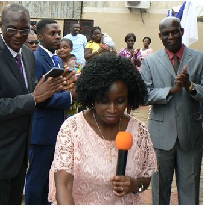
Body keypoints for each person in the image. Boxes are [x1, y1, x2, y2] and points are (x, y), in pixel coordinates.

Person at [0, 4, 75, 205]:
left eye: (24, 30)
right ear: (1, 25)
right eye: (12, 29)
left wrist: (54, 87)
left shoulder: (26, 53)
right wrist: (34, 98)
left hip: (19, 153)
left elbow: (30, 89)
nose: (18, 35)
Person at [49, 53, 157, 205]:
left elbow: (145, 180)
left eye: (120, 101)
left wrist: (134, 185)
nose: (112, 109)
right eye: (104, 101)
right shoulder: (72, 129)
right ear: (92, 97)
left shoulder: (139, 130)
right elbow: (63, 184)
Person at [141, 16, 203, 205]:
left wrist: (189, 86)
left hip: (190, 134)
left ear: (182, 31)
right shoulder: (150, 61)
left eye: (174, 31)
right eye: (166, 33)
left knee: (190, 189)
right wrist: (171, 90)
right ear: (160, 36)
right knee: (160, 190)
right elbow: (144, 95)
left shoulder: (200, 58)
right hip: (160, 136)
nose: (171, 36)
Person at [25, 18, 76, 205]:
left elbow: (55, 88)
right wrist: (71, 96)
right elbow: (41, 98)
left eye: (58, 33)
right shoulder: (37, 59)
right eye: (52, 34)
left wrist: (67, 85)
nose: (57, 37)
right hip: (42, 129)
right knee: (37, 178)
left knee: (49, 175)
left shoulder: (53, 57)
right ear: (39, 36)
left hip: (54, 126)